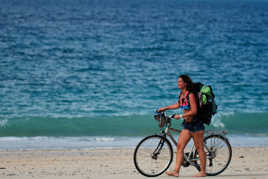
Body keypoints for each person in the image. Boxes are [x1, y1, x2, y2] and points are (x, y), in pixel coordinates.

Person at [158, 74, 206, 177]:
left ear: (186, 83)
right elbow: (178, 104)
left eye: (180, 82)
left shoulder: (191, 95)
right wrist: (165, 108)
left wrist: (180, 115)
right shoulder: (182, 94)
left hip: (196, 125)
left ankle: (203, 171)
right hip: (187, 125)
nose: (178, 83)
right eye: (178, 81)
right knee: (180, 147)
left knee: (199, 148)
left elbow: (194, 111)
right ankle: (176, 171)